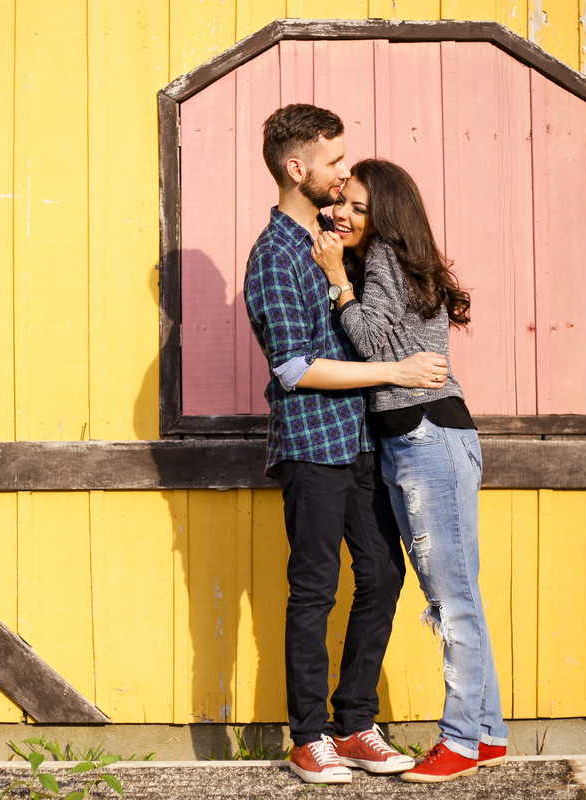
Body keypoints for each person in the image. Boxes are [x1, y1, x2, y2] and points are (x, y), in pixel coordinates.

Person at [243, 105, 448, 785]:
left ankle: (357, 722)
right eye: (333, 162)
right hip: (310, 444)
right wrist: (394, 371)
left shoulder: (339, 238)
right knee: (314, 588)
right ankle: (309, 736)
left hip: (362, 442)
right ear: (295, 168)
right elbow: (294, 368)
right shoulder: (273, 255)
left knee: (384, 574)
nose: (342, 174)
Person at [310, 158, 510, 783]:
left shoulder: (385, 264)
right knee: (462, 594)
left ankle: (458, 743)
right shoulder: (396, 263)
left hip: (426, 436)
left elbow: (369, 340)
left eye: (359, 208)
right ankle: (487, 733)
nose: (343, 214)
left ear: (386, 217)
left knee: (452, 601)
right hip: (424, 437)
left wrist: (337, 278)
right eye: (344, 201)